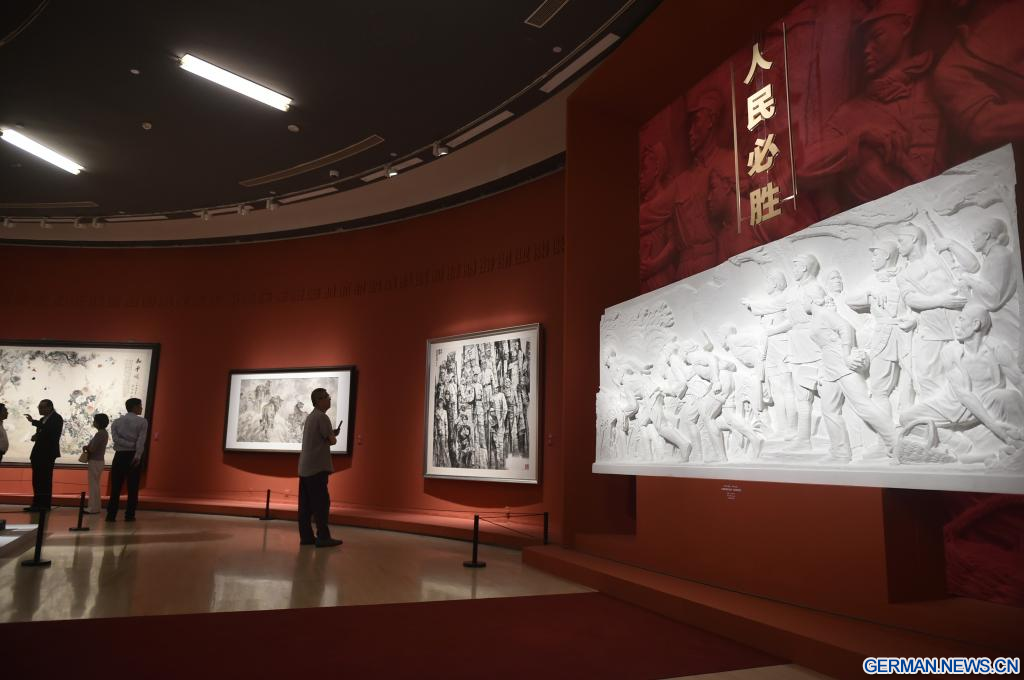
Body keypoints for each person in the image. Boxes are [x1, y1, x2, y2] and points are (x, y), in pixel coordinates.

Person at [298, 387, 342, 548]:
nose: (329, 399)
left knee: (305, 505)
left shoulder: (311, 417)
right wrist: (333, 436)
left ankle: (306, 537)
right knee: (321, 504)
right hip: (317, 468)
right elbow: (331, 441)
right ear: (318, 401)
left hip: (305, 468)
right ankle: (323, 537)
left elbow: (321, 437)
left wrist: (331, 434)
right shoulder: (322, 417)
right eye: (326, 396)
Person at [107, 398, 148, 522]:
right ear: (134, 407)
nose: (141, 408)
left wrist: (127, 444)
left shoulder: (116, 422)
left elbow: (116, 440)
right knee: (133, 487)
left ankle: (111, 515)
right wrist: (137, 454)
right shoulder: (142, 422)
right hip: (133, 456)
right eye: (140, 406)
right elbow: (141, 441)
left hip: (119, 456)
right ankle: (130, 515)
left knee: (116, 487)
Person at [24, 399, 64, 512]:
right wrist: (36, 436)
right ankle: (36, 504)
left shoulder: (56, 418)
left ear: (49, 407)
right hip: (38, 453)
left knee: (45, 479)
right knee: (37, 479)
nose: (39, 409)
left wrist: (33, 421)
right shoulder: (43, 419)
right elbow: (42, 432)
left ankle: (44, 505)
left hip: (48, 453)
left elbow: (50, 431)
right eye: (39, 407)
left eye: (42, 407)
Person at [82, 413, 109, 514]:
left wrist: (86, 447)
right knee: (96, 485)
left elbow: (92, 449)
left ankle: (92, 508)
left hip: (95, 461)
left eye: (95, 421)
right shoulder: (104, 433)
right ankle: (96, 507)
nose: (93, 422)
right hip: (99, 461)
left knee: (93, 485)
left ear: (98, 422)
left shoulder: (100, 434)